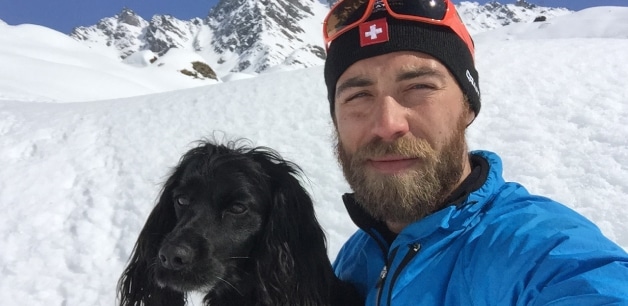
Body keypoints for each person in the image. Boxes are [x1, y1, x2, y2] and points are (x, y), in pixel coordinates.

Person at [322, 0, 628, 305]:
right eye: (358, 95)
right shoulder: (357, 256)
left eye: (419, 87)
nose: (387, 125)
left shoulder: (541, 253)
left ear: (468, 106)